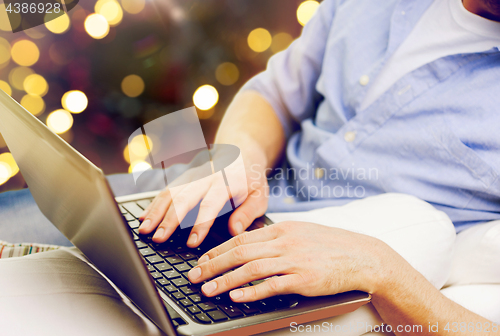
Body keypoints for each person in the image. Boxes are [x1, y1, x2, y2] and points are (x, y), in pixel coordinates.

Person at [136, 0, 500, 333]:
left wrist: (381, 270)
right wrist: (241, 159)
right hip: (237, 213)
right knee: (108, 223)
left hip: (309, 283)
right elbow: (274, 95)